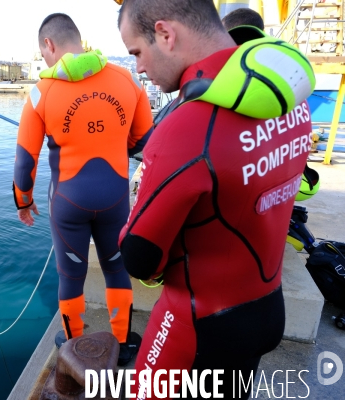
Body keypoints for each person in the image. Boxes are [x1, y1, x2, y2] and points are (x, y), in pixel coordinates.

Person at [117, 0, 314, 397]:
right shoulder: (289, 99)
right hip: (265, 307)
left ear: (165, 34)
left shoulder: (186, 125)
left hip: (197, 323)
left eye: (137, 52)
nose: (138, 68)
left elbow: (140, 256)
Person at [13, 13, 153, 366]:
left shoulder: (40, 92)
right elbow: (145, 142)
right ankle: (122, 343)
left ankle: (74, 346)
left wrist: (23, 202)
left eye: (43, 53)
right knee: (117, 269)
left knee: (70, 275)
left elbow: (24, 162)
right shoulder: (128, 80)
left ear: (49, 45)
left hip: (68, 203)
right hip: (116, 199)